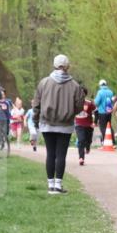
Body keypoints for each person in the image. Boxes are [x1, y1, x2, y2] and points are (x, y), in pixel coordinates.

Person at [33, 54, 84, 194]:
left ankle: (50, 185)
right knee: (61, 155)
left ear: (54, 65)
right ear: (68, 66)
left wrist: (36, 120)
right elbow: (79, 105)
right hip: (66, 125)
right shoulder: (75, 86)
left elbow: (36, 104)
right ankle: (58, 185)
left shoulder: (44, 83)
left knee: (50, 154)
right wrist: (71, 112)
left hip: (47, 123)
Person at [75, 87, 96, 165]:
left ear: (85, 94)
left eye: (82, 93)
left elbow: (96, 111)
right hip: (78, 124)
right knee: (81, 140)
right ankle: (81, 158)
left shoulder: (89, 103)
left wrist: (95, 122)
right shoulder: (74, 103)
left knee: (88, 140)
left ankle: (88, 147)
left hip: (89, 125)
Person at [93, 79, 115, 144]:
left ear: (100, 85)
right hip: (109, 112)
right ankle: (113, 142)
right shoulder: (110, 92)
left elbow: (96, 102)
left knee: (103, 127)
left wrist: (94, 100)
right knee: (109, 126)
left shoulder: (100, 92)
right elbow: (112, 101)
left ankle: (105, 141)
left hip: (102, 112)